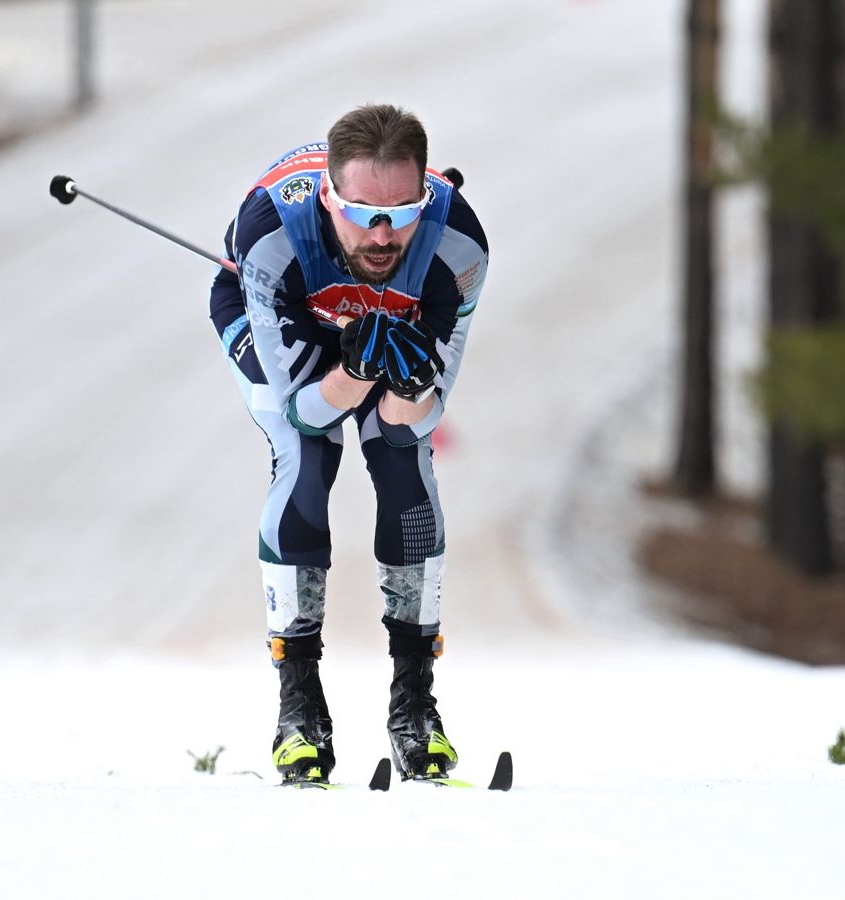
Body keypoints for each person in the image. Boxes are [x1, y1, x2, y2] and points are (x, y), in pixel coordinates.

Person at [207, 104, 488, 784]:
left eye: (403, 210)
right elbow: (307, 413)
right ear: (330, 196)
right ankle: (298, 708)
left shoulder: (458, 246)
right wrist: (356, 367)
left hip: (394, 324)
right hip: (287, 317)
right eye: (362, 212)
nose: (384, 234)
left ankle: (415, 707)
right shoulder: (272, 234)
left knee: (404, 471)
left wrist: (410, 376)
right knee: (306, 463)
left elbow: (407, 423)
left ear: (429, 192)